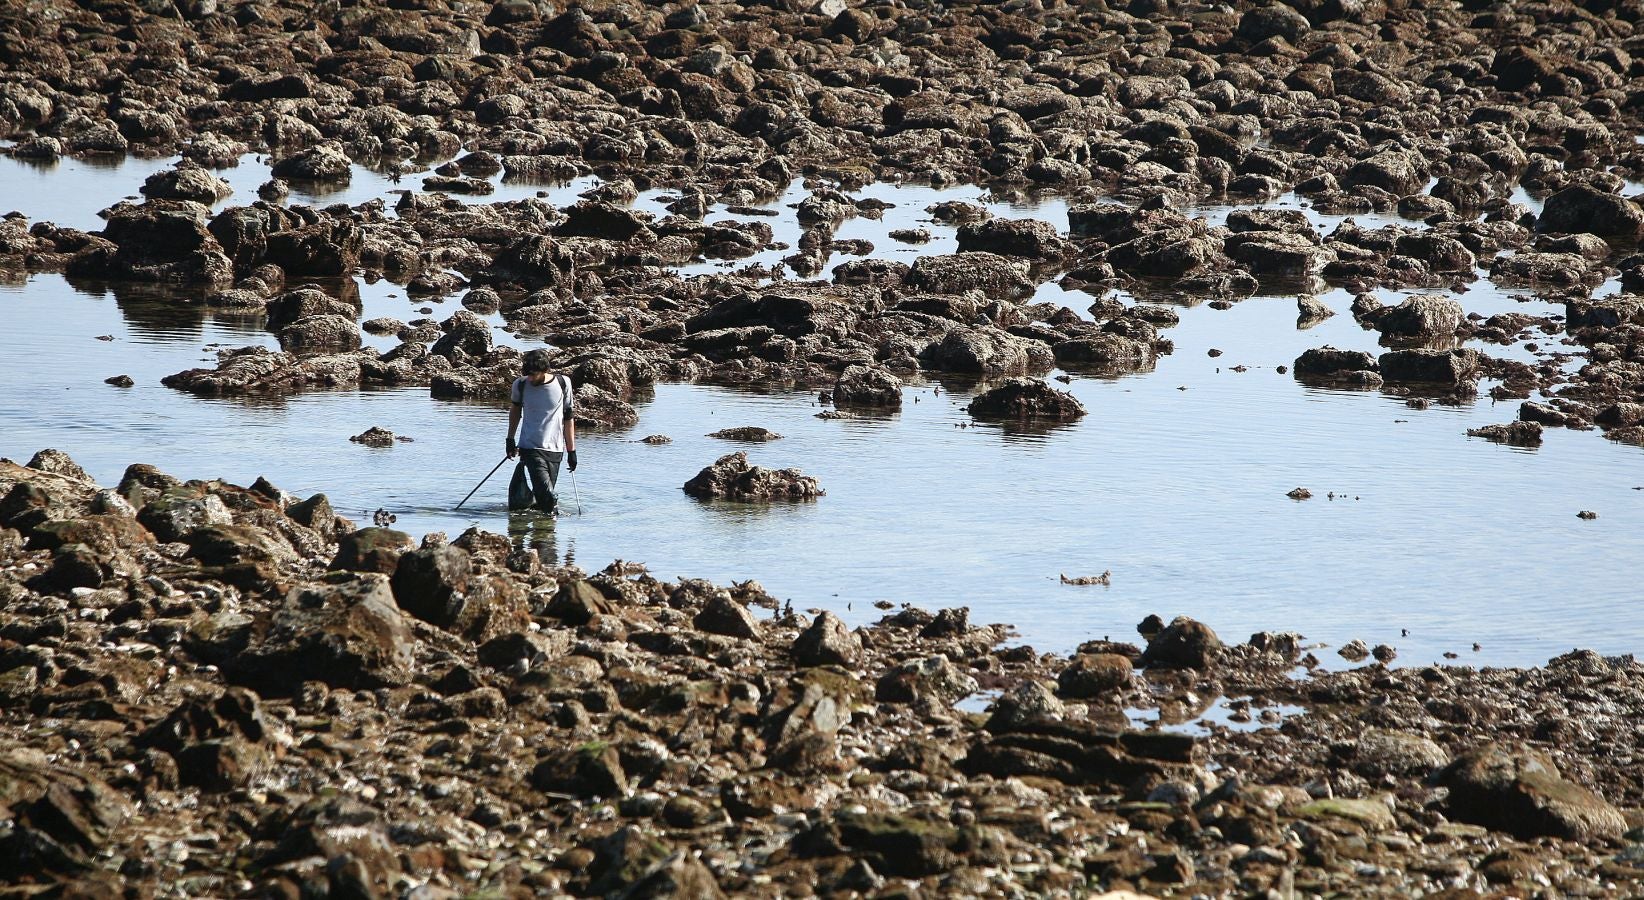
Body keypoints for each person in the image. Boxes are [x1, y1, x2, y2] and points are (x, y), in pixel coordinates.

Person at [506, 349, 577, 514]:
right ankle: (548, 524)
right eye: (528, 374)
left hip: (555, 450)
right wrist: (510, 439)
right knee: (548, 497)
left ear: (545, 370)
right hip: (530, 448)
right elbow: (515, 412)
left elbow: (568, 417)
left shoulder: (563, 383)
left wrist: (571, 451)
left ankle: (542, 535)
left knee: (543, 503)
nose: (530, 378)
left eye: (534, 375)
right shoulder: (521, 385)